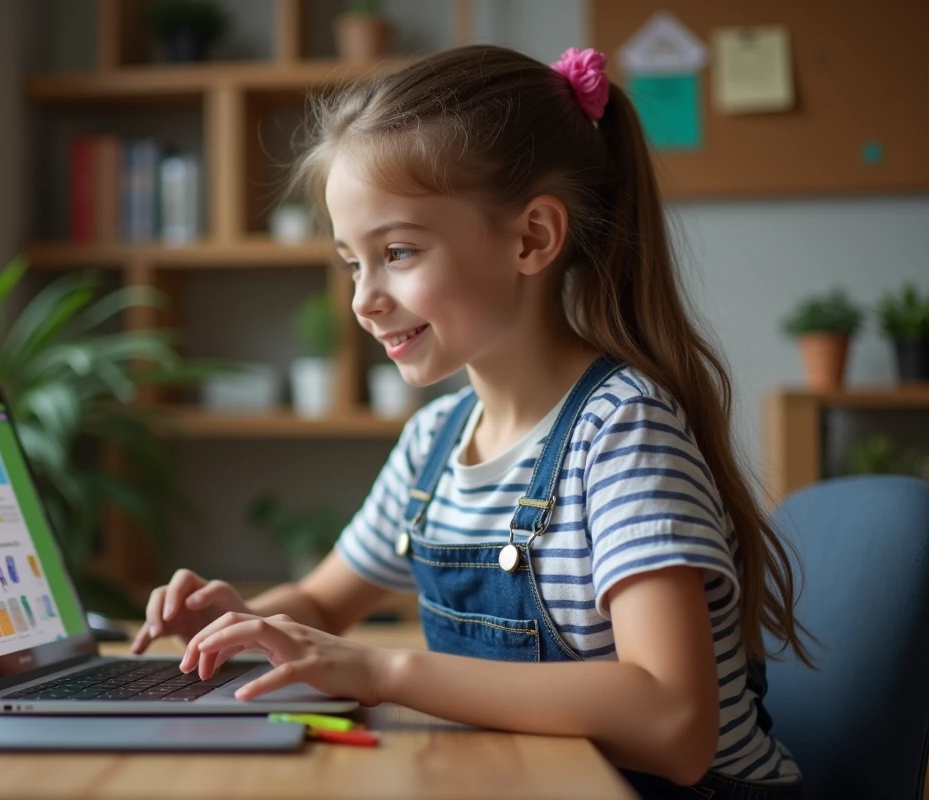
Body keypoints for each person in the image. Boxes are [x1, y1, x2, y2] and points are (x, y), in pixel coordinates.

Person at [130, 44, 809, 798]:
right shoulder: (436, 439)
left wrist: (387, 670)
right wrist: (242, 624)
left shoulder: (621, 432)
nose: (363, 299)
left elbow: (675, 727)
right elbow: (324, 603)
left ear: (532, 239)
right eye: (352, 262)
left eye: (396, 251)